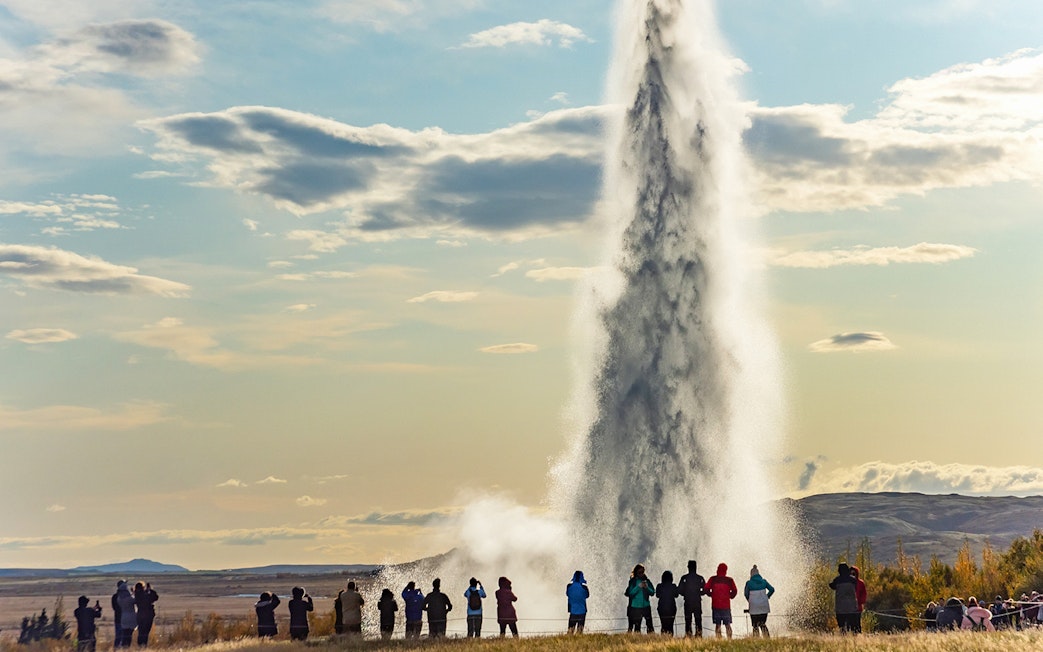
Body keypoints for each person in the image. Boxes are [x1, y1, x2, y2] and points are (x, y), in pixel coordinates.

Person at [704, 563, 738, 639]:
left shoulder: (713, 579)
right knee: (727, 624)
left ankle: (719, 640)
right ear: (726, 570)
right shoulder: (729, 580)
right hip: (726, 606)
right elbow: (735, 591)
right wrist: (730, 596)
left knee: (718, 624)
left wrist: (711, 594)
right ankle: (729, 639)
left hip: (715, 606)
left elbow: (706, 589)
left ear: (717, 569)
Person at [744, 564, 775, 638]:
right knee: (762, 624)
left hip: (754, 607)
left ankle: (756, 640)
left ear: (751, 574)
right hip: (764, 606)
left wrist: (750, 600)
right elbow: (772, 589)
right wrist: (767, 597)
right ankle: (767, 639)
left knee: (755, 625)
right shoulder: (764, 582)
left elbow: (746, 594)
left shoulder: (748, 583)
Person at [828, 563, 860, 634]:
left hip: (841, 608)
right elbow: (856, 586)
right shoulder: (853, 579)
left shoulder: (837, 580)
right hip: (852, 608)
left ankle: (843, 639)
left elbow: (832, 586)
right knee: (854, 628)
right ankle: (855, 641)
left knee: (842, 628)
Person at [677, 560, 706, 637]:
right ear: (696, 567)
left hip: (688, 601)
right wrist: (699, 593)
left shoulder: (684, 578)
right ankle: (699, 635)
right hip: (697, 601)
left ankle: (688, 635)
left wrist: (685, 594)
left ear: (688, 567)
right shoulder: (700, 578)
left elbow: (679, 590)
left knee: (688, 620)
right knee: (698, 619)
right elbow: (705, 590)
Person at [625, 564, 655, 633]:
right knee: (637, 627)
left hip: (646, 606)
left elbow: (652, 592)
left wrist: (647, 587)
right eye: (639, 572)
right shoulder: (632, 581)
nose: (641, 574)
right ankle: (637, 640)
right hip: (636, 607)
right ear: (636, 572)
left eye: (642, 572)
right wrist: (638, 587)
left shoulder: (647, 581)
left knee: (650, 626)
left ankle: (651, 639)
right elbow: (630, 593)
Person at [133, 582, 159, 647]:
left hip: (140, 615)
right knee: (146, 632)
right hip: (148, 616)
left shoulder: (137, 595)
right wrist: (150, 590)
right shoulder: (145, 595)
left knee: (141, 631)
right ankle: (143, 645)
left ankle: (140, 645)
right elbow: (155, 597)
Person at [113, 580, 136, 648]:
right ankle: (125, 648)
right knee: (127, 636)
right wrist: (133, 593)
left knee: (119, 636)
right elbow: (136, 601)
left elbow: (115, 608)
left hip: (120, 618)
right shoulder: (129, 598)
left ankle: (117, 649)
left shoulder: (117, 598)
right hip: (129, 618)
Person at [655, 570, 678, 635]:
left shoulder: (659, 586)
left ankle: (663, 638)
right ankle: (670, 639)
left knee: (663, 624)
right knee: (670, 625)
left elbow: (657, 595)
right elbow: (676, 595)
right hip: (671, 607)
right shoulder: (673, 586)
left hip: (661, 607)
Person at [850, 566, 867, 633]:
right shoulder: (848, 583)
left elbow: (864, 594)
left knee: (857, 623)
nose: (852, 575)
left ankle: (858, 637)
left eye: (854, 573)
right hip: (849, 608)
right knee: (850, 624)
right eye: (851, 573)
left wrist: (860, 602)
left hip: (858, 607)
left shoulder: (860, 583)